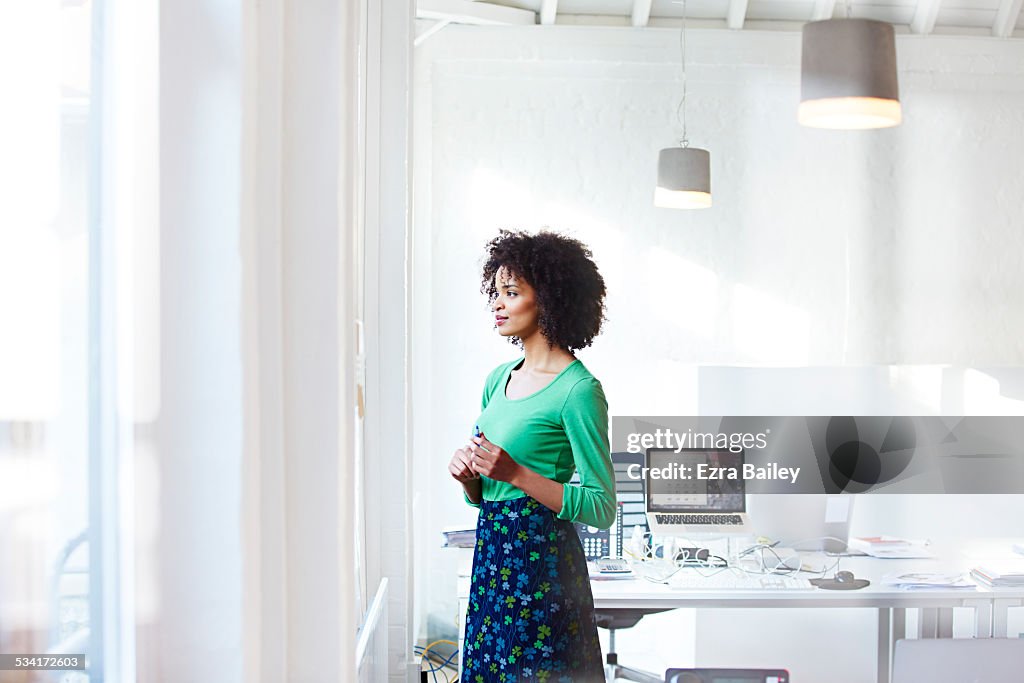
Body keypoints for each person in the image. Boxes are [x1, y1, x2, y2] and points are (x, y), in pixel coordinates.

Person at [448, 229, 615, 683]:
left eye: (512, 292)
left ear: (550, 299)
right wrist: (468, 478)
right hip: (492, 557)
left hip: (543, 564)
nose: (498, 304)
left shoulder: (579, 391)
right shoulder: (497, 379)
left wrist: (517, 473)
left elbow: (601, 507)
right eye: (496, 293)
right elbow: (485, 493)